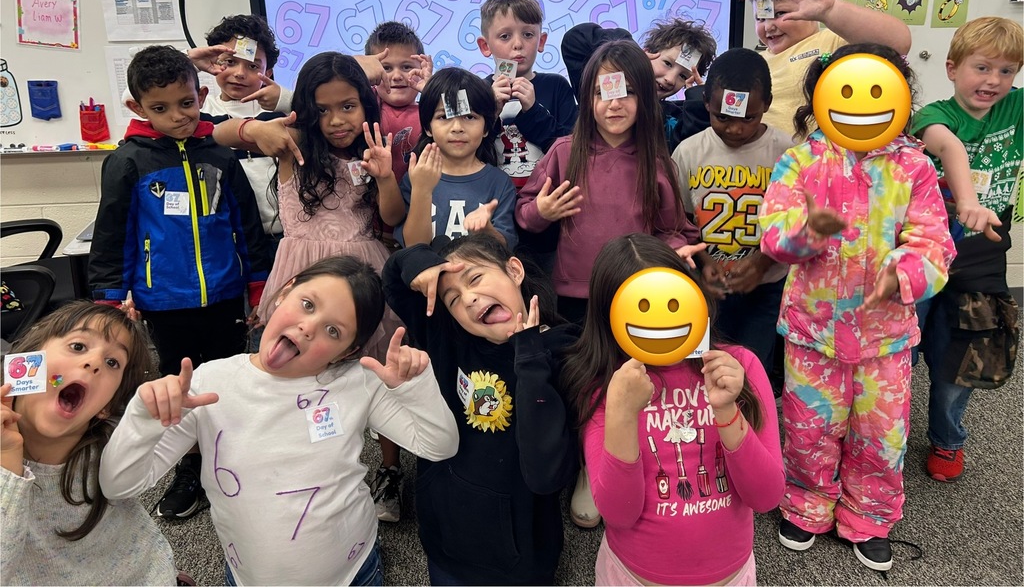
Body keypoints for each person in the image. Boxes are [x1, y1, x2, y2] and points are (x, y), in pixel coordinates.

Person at [99, 256, 459, 587]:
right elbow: (119, 486)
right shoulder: (210, 383)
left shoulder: (358, 382)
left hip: (353, 573)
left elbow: (439, 446)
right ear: (285, 292)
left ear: (347, 351)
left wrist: (415, 387)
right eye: (307, 304)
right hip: (248, 576)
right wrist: (142, 418)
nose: (308, 327)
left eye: (333, 331)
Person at [759, 44, 955, 572]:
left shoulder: (914, 166)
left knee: (881, 430)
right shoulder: (800, 160)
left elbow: (935, 242)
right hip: (812, 330)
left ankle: (869, 513)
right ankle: (806, 501)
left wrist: (906, 271)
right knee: (807, 425)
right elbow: (773, 235)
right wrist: (804, 235)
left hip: (884, 337)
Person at [214, 51, 412, 522]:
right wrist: (252, 128)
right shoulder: (289, 142)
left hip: (362, 273)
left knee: (378, 367)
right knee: (297, 371)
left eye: (348, 106)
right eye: (323, 109)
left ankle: (389, 470)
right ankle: (305, 461)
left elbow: (392, 219)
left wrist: (385, 175)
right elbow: (213, 130)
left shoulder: (373, 149)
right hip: (301, 274)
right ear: (306, 108)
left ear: (366, 104)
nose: (337, 120)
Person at [89, 45, 270, 521]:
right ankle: (189, 467)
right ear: (137, 108)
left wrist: (257, 286)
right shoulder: (128, 162)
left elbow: (246, 225)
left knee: (231, 377)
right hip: (164, 300)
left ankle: (233, 456)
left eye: (186, 103)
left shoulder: (221, 156)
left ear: (201, 94)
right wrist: (109, 301)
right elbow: (112, 235)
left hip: (225, 293)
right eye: (160, 108)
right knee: (177, 384)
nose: (177, 117)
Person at [561, 234, 784, 586]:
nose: (661, 323)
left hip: (730, 576)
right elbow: (619, 513)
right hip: (632, 577)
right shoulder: (605, 386)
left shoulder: (739, 367)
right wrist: (620, 411)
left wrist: (727, 411)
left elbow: (767, 495)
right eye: (643, 309)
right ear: (610, 317)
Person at [382, 233, 578, 586]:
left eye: (475, 278)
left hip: (520, 560)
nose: (469, 298)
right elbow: (394, 278)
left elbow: (546, 474)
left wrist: (529, 354)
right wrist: (423, 265)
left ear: (514, 270)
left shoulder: (564, 352)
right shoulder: (450, 339)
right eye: (453, 299)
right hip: (445, 541)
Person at [516, 39, 699, 326]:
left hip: (639, 294)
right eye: (603, 92)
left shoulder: (658, 164)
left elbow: (672, 230)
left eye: (627, 92)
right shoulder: (564, 152)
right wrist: (542, 211)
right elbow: (525, 213)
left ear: (645, 98)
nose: (614, 104)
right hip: (574, 301)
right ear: (588, 99)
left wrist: (675, 251)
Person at [911, 17, 1023, 483]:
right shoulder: (932, 116)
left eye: (1006, 71)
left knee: (965, 354)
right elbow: (949, 148)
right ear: (953, 68)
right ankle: (881, 435)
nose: (993, 81)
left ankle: (948, 440)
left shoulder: (1015, 108)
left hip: (983, 252)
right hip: (923, 247)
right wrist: (968, 202)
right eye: (982, 68)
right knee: (900, 348)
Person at [1, 302, 177, 585]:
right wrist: (7, 461)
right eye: (78, 346)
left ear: (106, 406)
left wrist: (153, 416)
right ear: (27, 361)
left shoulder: (113, 448)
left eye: (112, 362)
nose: (94, 362)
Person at [672, 48, 794, 387]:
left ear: (767, 104)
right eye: (724, 117)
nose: (736, 129)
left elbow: (795, 225)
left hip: (766, 287)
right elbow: (680, 220)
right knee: (701, 368)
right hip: (704, 287)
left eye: (748, 118)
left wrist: (762, 263)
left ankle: (752, 434)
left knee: (753, 370)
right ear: (707, 103)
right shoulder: (688, 152)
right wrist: (704, 259)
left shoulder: (787, 153)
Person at [749, 0, 911, 135]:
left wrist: (830, 10)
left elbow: (898, 43)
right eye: (761, 18)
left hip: (817, 157)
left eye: (780, 13)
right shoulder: (755, 61)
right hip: (762, 159)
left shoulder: (831, 41)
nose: (768, 27)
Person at [397, 68, 518, 250]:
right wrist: (422, 190)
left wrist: (486, 230)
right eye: (444, 117)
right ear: (427, 127)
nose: (457, 127)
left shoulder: (499, 183)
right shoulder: (417, 177)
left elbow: (504, 248)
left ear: (486, 127)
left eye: (470, 117)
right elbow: (413, 248)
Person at [200, 14, 289, 256]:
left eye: (252, 66)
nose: (240, 73)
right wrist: (189, 61)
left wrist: (285, 98)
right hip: (227, 237)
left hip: (282, 236)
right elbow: (136, 96)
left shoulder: (279, 113)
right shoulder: (200, 111)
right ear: (212, 61)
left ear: (267, 72)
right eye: (229, 61)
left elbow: (322, 114)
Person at [561, 18, 716, 149]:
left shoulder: (674, 116)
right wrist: (628, 53)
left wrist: (696, 101)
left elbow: (689, 150)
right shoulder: (608, 92)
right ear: (647, 53)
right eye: (667, 63)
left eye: (683, 76)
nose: (670, 79)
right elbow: (575, 39)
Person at [479, 0, 577, 188]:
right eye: (505, 36)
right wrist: (492, 111)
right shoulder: (478, 90)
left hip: (547, 199)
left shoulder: (557, 86)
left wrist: (533, 112)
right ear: (485, 46)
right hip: (492, 201)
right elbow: (466, 153)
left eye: (528, 34)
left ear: (541, 41)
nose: (518, 44)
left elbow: (572, 150)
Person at [364, 21, 433, 184]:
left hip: (418, 200)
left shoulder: (432, 111)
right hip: (373, 199)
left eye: (407, 67)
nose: (396, 76)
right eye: (386, 68)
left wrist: (432, 90)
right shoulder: (366, 103)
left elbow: (459, 121)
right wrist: (359, 70)